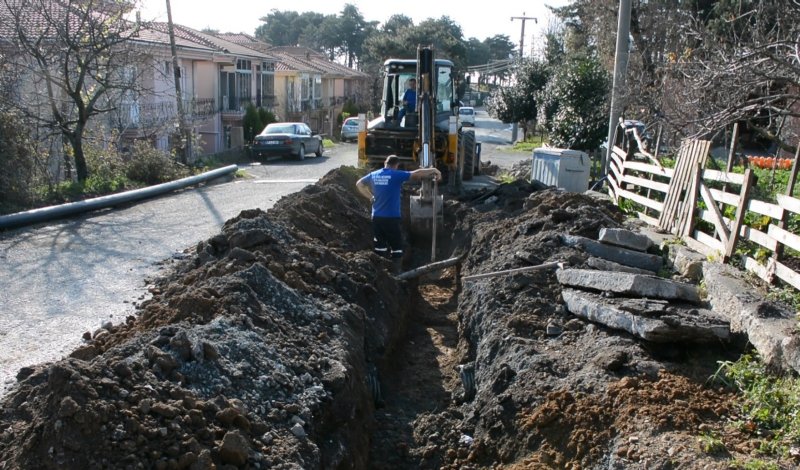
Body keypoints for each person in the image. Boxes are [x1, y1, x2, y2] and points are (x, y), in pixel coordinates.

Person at [356, 155, 441, 262]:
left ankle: (382, 269)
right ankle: (396, 271)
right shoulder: (395, 175)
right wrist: (434, 170)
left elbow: (359, 184)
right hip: (391, 218)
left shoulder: (373, 175)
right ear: (396, 165)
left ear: (385, 163)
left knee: (380, 246)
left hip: (376, 217)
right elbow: (416, 173)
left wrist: (370, 196)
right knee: (396, 247)